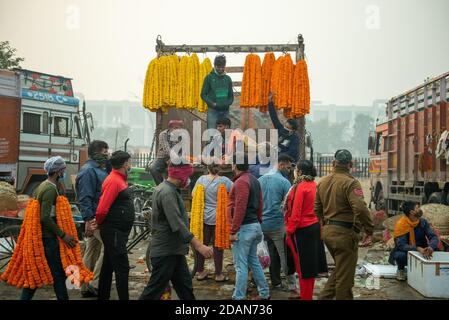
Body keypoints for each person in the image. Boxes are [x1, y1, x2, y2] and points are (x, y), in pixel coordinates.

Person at [139, 163, 213, 300]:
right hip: (165, 252)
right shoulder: (167, 193)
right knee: (153, 291)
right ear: (181, 177)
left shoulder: (167, 189)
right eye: (188, 177)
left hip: (175, 251)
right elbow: (177, 224)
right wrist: (199, 245)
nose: (188, 180)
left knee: (185, 288)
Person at [315, 149, 374, 300]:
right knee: (345, 281)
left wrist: (326, 224)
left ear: (334, 163)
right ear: (350, 164)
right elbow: (360, 208)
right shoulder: (350, 183)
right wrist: (369, 229)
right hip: (345, 234)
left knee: (340, 271)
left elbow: (317, 209)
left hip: (328, 232)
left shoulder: (322, 182)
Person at [21, 156, 76, 300]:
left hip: (45, 238)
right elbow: (45, 217)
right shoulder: (50, 190)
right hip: (48, 239)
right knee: (58, 274)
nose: (64, 172)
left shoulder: (42, 186)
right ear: (57, 172)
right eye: (63, 170)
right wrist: (63, 235)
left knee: (38, 273)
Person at [228, 153, 270, 300]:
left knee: (241, 266)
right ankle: (264, 293)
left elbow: (240, 207)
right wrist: (258, 221)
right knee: (253, 262)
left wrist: (233, 230)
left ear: (235, 165)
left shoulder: (241, 182)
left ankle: (238, 297)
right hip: (254, 226)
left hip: (244, 228)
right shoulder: (253, 180)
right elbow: (260, 204)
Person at [284, 160, 328, 300]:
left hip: (301, 231)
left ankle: (305, 297)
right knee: (310, 268)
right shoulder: (315, 185)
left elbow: (295, 214)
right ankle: (307, 295)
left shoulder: (300, 187)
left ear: (300, 172)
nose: (294, 171)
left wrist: (289, 231)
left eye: (296, 169)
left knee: (302, 268)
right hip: (314, 228)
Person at [96, 151, 135, 300]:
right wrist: (99, 225)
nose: (130, 165)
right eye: (129, 162)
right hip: (114, 232)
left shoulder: (119, 179)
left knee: (108, 267)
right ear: (125, 164)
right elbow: (101, 209)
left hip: (116, 232)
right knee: (122, 268)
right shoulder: (113, 181)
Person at [76, 140, 109, 298]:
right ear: (95, 153)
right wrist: (89, 220)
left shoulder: (99, 169)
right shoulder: (89, 171)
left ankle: (84, 285)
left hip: (98, 217)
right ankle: (95, 283)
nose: (107, 155)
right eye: (104, 152)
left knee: (91, 250)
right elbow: (85, 198)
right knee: (109, 248)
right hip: (95, 218)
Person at [258, 154, 294, 290]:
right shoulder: (285, 183)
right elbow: (288, 206)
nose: (289, 170)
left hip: (261, 225)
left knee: (265, 255)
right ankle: (291, 285)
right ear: (281, 165)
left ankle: (269, 283)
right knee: (285, 256)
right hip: (278, 225)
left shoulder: (260, 180)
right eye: (288, 167)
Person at [193, 164, 233, 282]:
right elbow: (235, 192)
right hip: (219, 218)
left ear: (207, 168)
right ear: (219, 168)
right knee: (218, 246)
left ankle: (200, 272)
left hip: (203, 218)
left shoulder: (201, 180)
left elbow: (193, 194)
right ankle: (218, 274)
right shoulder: (225, 181)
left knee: (201, 244)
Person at [389, 201, 439, 281]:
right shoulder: (401, 224)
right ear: (412, 212)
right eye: (417, 208)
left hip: (423, 250)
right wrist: (418, 249)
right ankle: (400, 270)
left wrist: (431, 247)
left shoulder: (423, 222)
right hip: (408, 252)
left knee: (437, 250)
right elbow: (401, 245)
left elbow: (433, 236)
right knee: (399, 255)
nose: (420, 209)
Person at [201, 55, 234, 129]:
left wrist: (228, 103)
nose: (221, 69)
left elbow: (231, 96)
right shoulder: (209, 78)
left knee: (225, 133)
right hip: (213, 110)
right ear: (215, 66)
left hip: (225, 110)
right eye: (218, 67)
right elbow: (203, 94)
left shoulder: (228, 79)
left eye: (223, 67)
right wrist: (212, 104)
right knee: (212, 132)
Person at [149, 120, 184, 185]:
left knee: (182, 170)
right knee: (153, 168)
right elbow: (166, 148)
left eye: (180, 128)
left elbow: (181, 149)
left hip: (176, 157)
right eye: (176, 128)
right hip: (162, 157)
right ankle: (161, 185)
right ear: (171, 128)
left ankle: (177, 186)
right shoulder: (163, 134)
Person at [267, 93, 299, 162]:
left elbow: (292, 152)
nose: (286, 122)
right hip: (276, 159)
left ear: (291, 127)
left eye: (288, 122)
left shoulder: (294, 138)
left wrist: (279, 155)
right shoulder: (281, 129)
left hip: (287, 162)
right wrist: (270, 102)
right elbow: (274, 117)